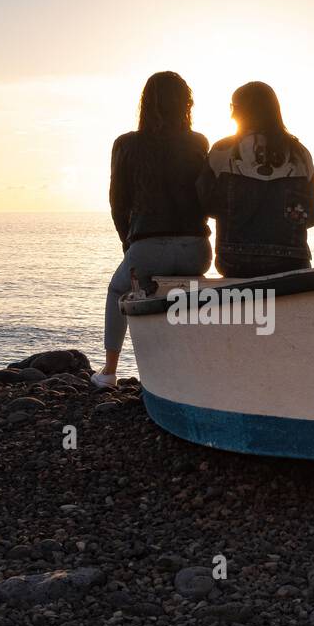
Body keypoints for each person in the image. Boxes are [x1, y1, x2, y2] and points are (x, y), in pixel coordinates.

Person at [94, 71, 212, 389]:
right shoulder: (199, 142)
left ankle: (108, 370)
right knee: (184, 300)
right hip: (197, 249)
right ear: (185, 104)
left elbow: (118, 204)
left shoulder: (127, 144)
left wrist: (129, 245)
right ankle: (190, 369)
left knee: (118, 291)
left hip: (147, 247)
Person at [195, 81, 314, 278]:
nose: (231, 113)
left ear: (240, 111)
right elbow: (312, 215)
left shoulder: (222, 151)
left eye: (233, 107)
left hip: (235, 261)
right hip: (291, 263)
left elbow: (205, 204)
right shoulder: (300, 154)